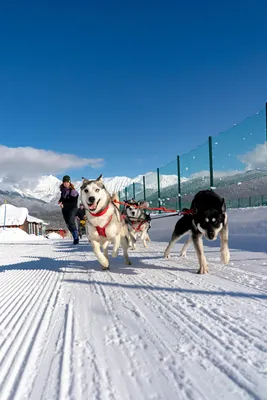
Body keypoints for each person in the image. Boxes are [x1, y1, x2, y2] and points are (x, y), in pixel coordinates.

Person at [58, 175, 79, 244]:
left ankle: (76, 238)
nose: (66, 183)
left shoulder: (73, 191)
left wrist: (64, 204)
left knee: (71, 221)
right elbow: (63, 198)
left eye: (67, 182)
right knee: (68, 223)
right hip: (65, 209)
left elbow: (74, 202)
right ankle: (74, 236)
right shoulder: (63, 190)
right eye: (64, 182)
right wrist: (60, 201)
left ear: (69, 182)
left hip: (73, 208)